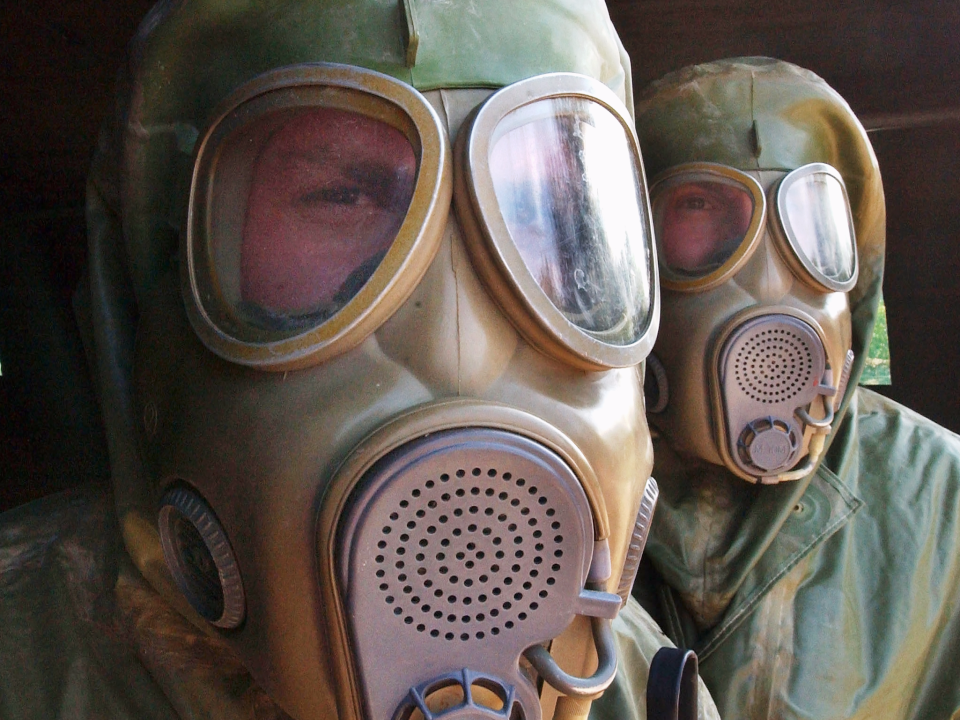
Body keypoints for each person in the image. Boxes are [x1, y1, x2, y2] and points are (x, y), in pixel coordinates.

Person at [0, 2, 721, 719]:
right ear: (152, 295)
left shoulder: (628, 672)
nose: (456, 345)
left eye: (537, 206)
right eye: (343, 194)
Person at [632, 57, 960, 719]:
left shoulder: (942, 502)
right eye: (702, 207)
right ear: (630, 242)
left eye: (812, 220)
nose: (770, 270)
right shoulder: (558, 487)